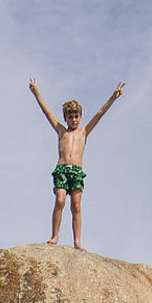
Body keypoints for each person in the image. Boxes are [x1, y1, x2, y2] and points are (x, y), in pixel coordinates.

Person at [30, 78, 124, 251]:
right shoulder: (61, 130)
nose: (74, 119)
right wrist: (36, 92)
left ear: (80, 117)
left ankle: (77, 241)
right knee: (59, 200)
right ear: (65, 118)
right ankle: (55, 235)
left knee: (76, 205)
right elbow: (47, 112)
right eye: (70, 116)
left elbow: (100, 114)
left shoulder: (84, 132)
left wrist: (114, 97)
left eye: (76, 116)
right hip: (62, 169)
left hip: (77, 172)